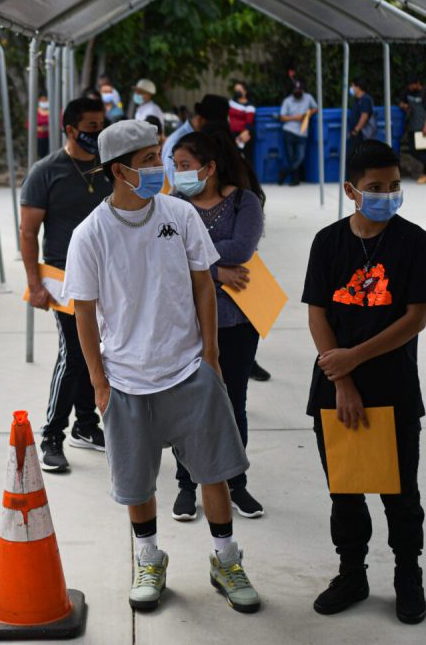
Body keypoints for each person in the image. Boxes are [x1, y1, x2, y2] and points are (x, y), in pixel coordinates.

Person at [63, 120, 260, 614]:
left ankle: (225, 559)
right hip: (127, 380)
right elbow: (83, 312)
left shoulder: (180, 214)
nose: (160, 168)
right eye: (148, 160)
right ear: (117, 170)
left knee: (213, 473)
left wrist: (210, 356)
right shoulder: (91, 234)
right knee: (136, 482)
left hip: (188, 369)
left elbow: (203, 285)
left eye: (159, 156)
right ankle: (149, 558)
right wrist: (99, 384)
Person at [301, 139, 426, 625]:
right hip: (335, 389)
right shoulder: (329, 242)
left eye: (394, 185)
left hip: (394, 387)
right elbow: (318, 314)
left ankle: (408, 574)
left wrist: (354, 358)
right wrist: (341, 380)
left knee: (401, 493)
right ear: (351, 191)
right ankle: (351, 573)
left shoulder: (414, 241)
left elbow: (415, 318)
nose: (387, 194)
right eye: (375, 187)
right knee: (346, 489)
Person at [169, 130, 266, 521]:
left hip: (238, 320)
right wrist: (218, 271)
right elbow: (168, 255)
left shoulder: (246, 202)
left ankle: (235, 483)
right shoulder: (172, 206)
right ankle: (186, 483)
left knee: (232, 402)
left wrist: (202, 263)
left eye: (185, 166)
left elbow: (242, 249)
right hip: (185, 319)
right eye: (175, 167)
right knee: (186, 404)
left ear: (209, 167)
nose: (178, 174)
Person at [20, 97, 112, 472]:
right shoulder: (46, 171)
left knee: (99, 353)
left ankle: (86, 425)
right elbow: (28, 231)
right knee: (74, 355)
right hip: (64, 280)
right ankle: (52, 435)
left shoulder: (110, 168)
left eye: (101, 125)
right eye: (91, 127)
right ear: (70, 129)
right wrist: (35, 284)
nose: (98, 133)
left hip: (108, 277)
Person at [162, 94, 230, 185]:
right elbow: (174, 181)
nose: (214, 131)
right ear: (201, 120)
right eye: (213, 126)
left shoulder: (200, 138)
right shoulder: (177, 142)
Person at [398, 77, 426, 185]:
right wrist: (404, 106)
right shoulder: (407, 92)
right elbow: (401, 102)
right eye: (409, 86)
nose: (410, 88)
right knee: (413, 150)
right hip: (413, 125)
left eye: (412, 85)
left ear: (418, 83)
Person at [279, 80, 319, 186]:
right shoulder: (287, 101)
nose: (297, 91)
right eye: (295, 89)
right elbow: (282, 117)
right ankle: (295, 180)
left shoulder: (308, 97)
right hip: (289, 131)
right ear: (292, 90)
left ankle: (284, 172)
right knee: (291, 157)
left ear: (303, 90)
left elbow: (316, 108)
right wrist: (296, 117)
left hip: (302, 131)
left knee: (300, 157)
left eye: (299, 89)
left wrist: (308, 114)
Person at [347, 78, 376, 159]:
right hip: (356, 134)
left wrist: (356, 130)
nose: (351, 88)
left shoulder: (365, 99)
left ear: (358, 87)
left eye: (352, 86)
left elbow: (364, 116)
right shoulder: (358, 100)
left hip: (361, 135)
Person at [229, 81, 256, 163]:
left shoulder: (249, 106)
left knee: (244, 160)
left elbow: (249, 124)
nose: (237, 92)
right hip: (230, 134)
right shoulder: (231, 102)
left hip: (243, 136)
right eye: (235, 90)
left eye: (239, 90)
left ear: (245, 91)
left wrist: (240, 139)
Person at [37, 94, 51, 158]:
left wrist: (49, 128)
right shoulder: (35, 111)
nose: (44, 102)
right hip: (40, 139)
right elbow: (29, 125)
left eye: (46, 100)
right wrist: (39, 129)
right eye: (42, 100)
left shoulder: (55, 110)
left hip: (50, 137)